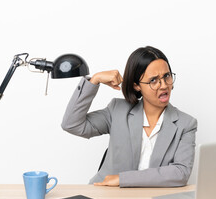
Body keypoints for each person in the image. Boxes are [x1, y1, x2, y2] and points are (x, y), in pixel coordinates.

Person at [61, 46, 197, 187]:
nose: (163, 85)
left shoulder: (186, 124)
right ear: (137, 85)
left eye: (166, 76)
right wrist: (94, 81)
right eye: (153, 80)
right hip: (106, 196)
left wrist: (122, 179)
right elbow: (71, 124)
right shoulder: (117, 111)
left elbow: (180, 173)